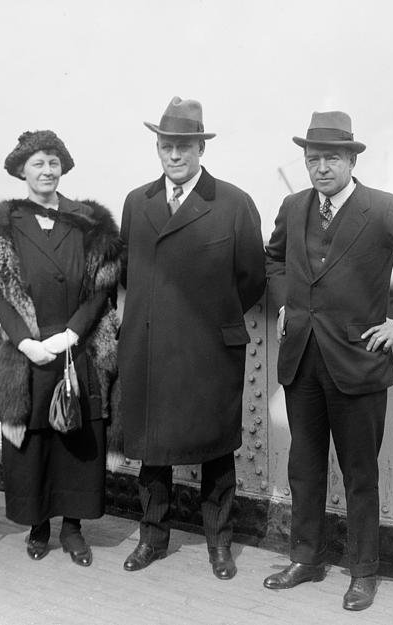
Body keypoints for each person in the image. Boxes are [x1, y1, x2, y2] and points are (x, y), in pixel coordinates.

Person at [264, 111, 393, 609]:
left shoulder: (385, 210)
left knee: (359, 473)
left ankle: (363, 572)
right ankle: (306, 558)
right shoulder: (293, 205)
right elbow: (274, 259)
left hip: (358, 363)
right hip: (302, 361)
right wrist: (285, 302)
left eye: (331, 157)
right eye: (312, 159)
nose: (321, 167)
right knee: (303, 466)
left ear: (352, 159)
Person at [118, 97, 266, 580]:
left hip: (209, 351)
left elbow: (252, 278)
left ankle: (219, 545)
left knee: (215, 451)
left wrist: (211, 318)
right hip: (152, 348)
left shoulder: (234, 203)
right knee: (153, 451)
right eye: (166, 145)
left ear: (201, 147)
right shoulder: (137, 203)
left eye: (184, 146)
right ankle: (151, 539)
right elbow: (130, 272)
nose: (174, 155)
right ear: (157, 148)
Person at [0, 130, 122, 568]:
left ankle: (73, 529)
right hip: (27, 352)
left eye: (54, 162)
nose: (47, 170)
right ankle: (39, 526)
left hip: (79, 347)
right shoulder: (2, 224)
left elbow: (101, 288)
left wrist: (72, 334)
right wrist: (25, 341)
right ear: (21, 171)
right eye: (37, 163)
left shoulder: (89, 222)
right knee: (34, 438)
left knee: (77, 436)